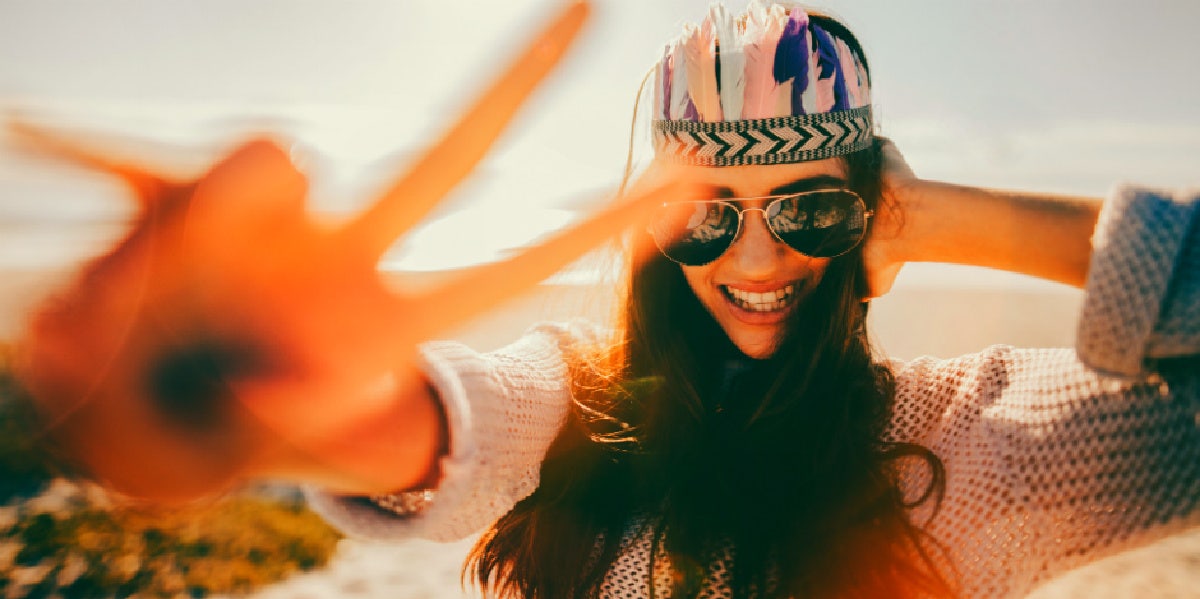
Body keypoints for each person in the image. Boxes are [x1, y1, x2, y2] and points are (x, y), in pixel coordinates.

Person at [10, 1, 1197, 598]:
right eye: (706, 210)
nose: (757, 257)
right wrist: (272, 390)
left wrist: (960, 217)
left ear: (868, 217)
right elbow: (445, 427)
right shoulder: (576, 407)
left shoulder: (983, 437)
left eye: (813, 211)